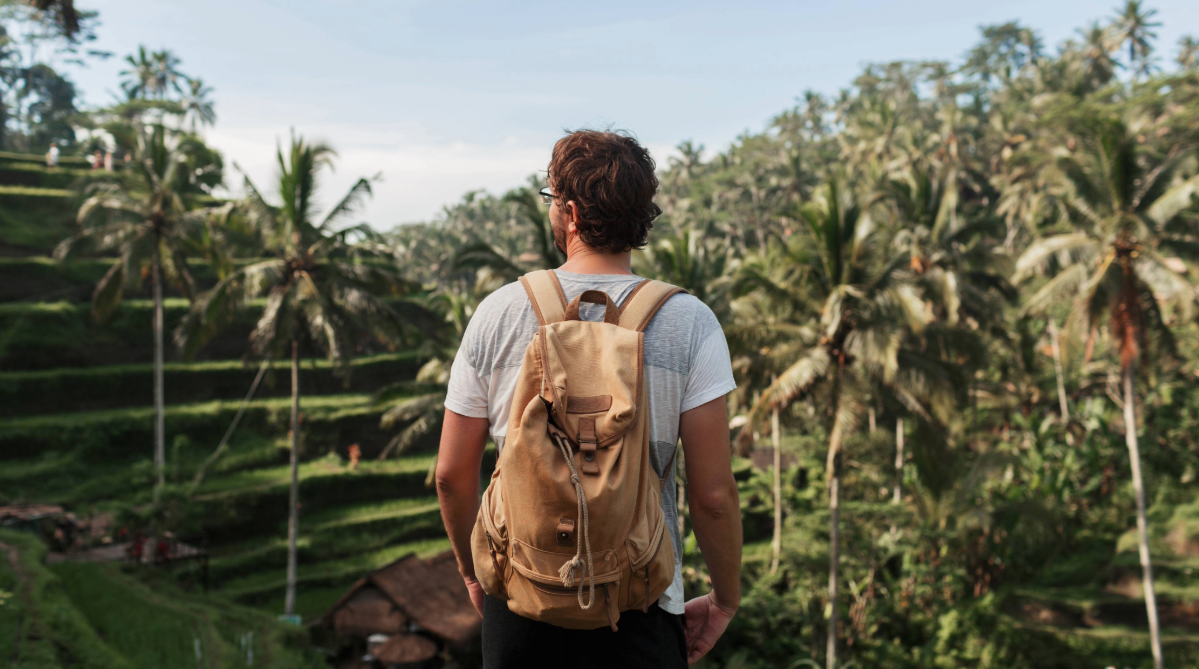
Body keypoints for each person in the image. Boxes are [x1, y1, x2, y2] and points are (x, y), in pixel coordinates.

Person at [436, 129, 742, 668]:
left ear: (570, 213)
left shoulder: (498, 314)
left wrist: (472, 570)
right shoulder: (690, 323)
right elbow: (714, 496)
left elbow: (450, 475)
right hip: (642, 605)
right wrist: (723, 600)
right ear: (641, 216)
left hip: (521, 603)